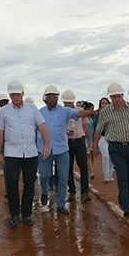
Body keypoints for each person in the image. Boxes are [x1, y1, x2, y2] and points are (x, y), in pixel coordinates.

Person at [0, 79, 49, 228]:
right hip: (12, 153)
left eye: (18, 95)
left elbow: (42, 126)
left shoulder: (32, 109)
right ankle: (14, 214)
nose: (15, 97)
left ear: (23, 94)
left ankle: (26, 214)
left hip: (30, 153)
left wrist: (46, 145)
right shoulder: (4, 111)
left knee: (29, 183)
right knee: (11, 182)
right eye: (12, 95)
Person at [93, 83, 129, 219]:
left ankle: (123, 197)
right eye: (113, 97)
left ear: (122, 95)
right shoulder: (106, 111)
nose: (116, 99)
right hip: (115, 147)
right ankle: (127, 206)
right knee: (122, 174)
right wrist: (94, 145)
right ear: (110, 97)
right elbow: (99, 129)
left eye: (118, 96)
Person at [37, 85, 93, 214]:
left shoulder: (64, 111)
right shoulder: (39, 113)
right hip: (45, 150)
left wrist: (91, 112)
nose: (52, 99)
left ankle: (61, 204)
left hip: (61, 150)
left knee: (63, 177)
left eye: (55, 96)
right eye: (50, 96)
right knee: (45, 175)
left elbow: (79, 113)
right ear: (45, 99)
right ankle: (45, 191)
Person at [61, 89, 92, 203]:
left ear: (73, 102)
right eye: (66, 103)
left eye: (69, 103)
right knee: (68, 167)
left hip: (79, 140)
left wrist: (89, 141)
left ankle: (85, 192)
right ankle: (72, 190)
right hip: (67, 142)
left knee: (83, 165)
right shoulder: (61, 112)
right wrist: (65, 132)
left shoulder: (80, 111)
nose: (67, 105)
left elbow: (85, 126)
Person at [94, 97, 114, 182]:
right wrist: (94, 142)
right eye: (103, 103)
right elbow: (95, 128)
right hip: (101, 138)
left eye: (106, 103)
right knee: (106, 155)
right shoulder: (97, 115)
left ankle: (110, 174)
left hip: (112, 138)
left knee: (112, 156)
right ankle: (106, 176)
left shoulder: (113, 114)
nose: (104, 105)